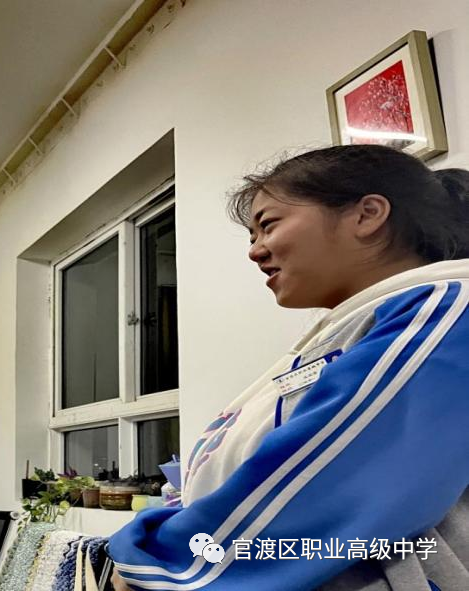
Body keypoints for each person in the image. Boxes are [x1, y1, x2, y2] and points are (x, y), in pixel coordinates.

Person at [108, 145, 469, 591]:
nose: (255, 252)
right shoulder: (352, 330)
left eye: (268, 225)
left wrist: (163, 562)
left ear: (367, 214)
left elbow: (325, 481)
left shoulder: (447, 310)